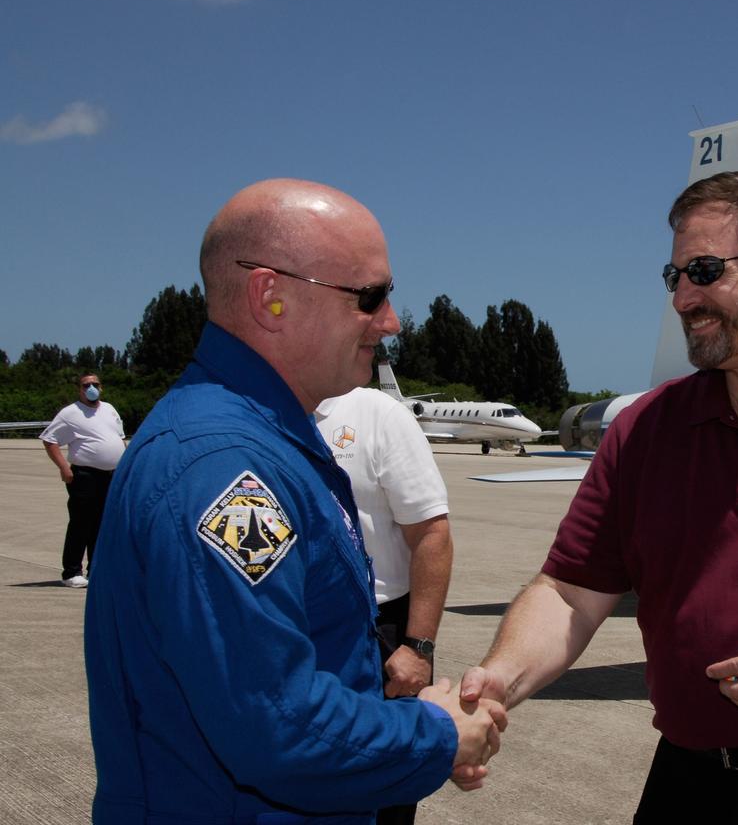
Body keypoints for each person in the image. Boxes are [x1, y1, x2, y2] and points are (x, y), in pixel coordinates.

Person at [460, 171, 738, 823]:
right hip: (687, 784)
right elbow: (570, 592)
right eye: (676, 278)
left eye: (703, 271)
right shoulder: (647, 428)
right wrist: (501, 678)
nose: (683, 299)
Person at [84, 179, 506, 824]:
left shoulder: (264, 436)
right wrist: (437, 734)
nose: (390, 322)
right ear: (269, 296)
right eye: (370, 297)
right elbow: (277, 720)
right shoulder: (223, 466)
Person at [314, 385, 454, 825]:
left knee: (387, 784)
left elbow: (433, 534)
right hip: (300, 628)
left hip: (380, 629)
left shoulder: (378, 414)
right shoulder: (267, 412)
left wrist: (419, 647)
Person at [40, 371, 126, 587]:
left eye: (95, 384)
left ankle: (96, 568)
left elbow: (118, 438)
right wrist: (63, 467)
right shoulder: (70, 413)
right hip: (85, 476)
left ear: (101, 387)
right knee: (81, 523)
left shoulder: (109, 409)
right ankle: (71, 572)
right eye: (86, 385)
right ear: (79, 389)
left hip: (110, 476)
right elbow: (49, 440)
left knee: (101, 524)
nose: (91, 388)